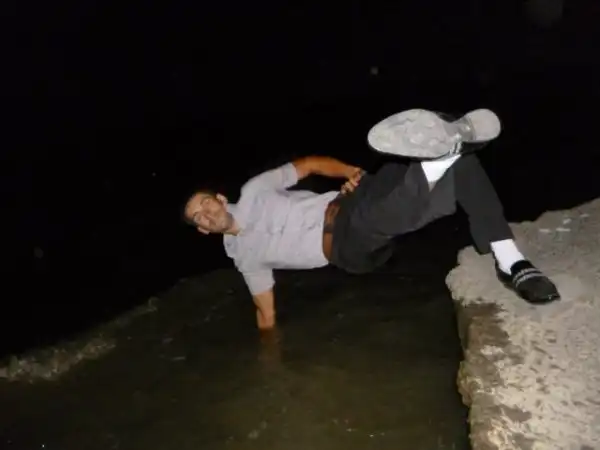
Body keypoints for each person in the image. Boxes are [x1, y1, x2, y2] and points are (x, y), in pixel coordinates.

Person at [182, 108, 560, 331]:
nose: (207, 213)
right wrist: (269, 363)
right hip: (345, 246)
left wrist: (351, 171)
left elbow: (308, 165)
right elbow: (265, 312)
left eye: (205, 203)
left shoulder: (255, 189)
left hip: (348, 201)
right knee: (373, 216)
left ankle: (509, 259)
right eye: (199, 216)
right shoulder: (244, 258)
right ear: (202, 230)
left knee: (454, 166)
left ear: (219, 199)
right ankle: (437, 159)